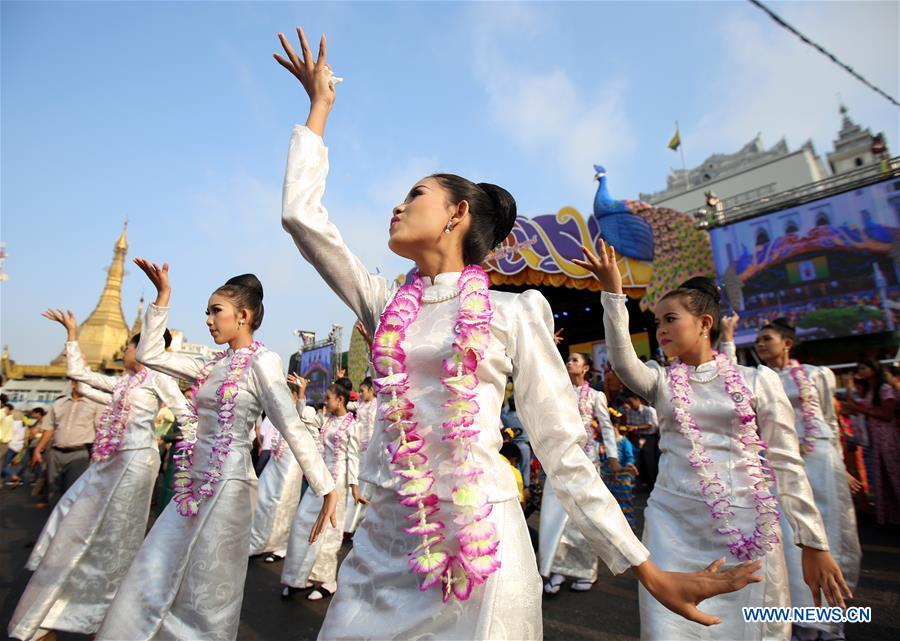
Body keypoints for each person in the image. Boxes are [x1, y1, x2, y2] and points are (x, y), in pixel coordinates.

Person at [273, 26, 763, 639]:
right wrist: (319, 110)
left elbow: (561, 448)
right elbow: (302, 218)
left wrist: (646, 569)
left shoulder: (515, 312)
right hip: (384, 547)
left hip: (483, 549)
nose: (397, 206)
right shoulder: (383, 304)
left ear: (457, 214)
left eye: (414, 194)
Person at [575, 240, 850, 640]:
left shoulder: (758, 381)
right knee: (671, 629)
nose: (661, 329)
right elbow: (622, 361)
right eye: (658, 322)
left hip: (748, 523)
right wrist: (613, 293)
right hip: (673, 524)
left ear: (705, 323)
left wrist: (813, 542)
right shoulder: (661, 381)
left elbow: (787, 464)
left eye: (670, 319)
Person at [96, 260, 337, 641]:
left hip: (230, 487)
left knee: (207, 589)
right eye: (207, 312)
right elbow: (150, 355)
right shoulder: (211, 364)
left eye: (215, 311)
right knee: (154, 566)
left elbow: (290, 424)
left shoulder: (263, 362)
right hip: (193, 486)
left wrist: (326, 486)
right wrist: (162, 298)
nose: (208, 320)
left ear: (243, 316)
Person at [9, 309, 193, 641]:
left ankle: (105, 616)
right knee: (75, 520)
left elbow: (186, 416)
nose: (125, 352)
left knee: (117, 540)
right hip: (111, 462)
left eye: (129, 347)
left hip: (138, 463)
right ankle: (67, 608)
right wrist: (71, 335)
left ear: (142, 348)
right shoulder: (123, 385)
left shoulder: (159, 379)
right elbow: (79, 377)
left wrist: (193, 461)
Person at [730, 317, 862, 641]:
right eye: (758, 340)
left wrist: (840, 465)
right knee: (789, 539)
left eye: (767, 338)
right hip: (780, 462)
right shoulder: (756, 378)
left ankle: (831, 622)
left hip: (821, 460)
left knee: (830, 535)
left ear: (787, 343)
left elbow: (829, 420)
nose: (760, 345)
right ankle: (802, 622)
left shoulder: (818, 375)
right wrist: (729, 336)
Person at [539, 352, 619, 594]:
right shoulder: (558, 392)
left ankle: (585, 571)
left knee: (584, 517)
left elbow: (606, 427)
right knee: (555, 516)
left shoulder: (596, 396)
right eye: (568, 359)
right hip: (559, 460)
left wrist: (613, 457)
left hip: (587, 462)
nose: (569, 362)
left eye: (575, 360)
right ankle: (557, 569)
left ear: (585, 368)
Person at [281, 381, 363, 600]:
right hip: (320, 480)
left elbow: (353, 457)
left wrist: (354, 486)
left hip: (338, 481)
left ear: (340, 400)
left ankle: (327, 581)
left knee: (328, 532)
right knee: (302, 524)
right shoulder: (326, 419)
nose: (325, 402)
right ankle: (297, 577)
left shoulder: (353, 425)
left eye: (328, 398)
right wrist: (301, 394)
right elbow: (304, 417)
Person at [249, 383, 306, 563]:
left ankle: (280, 545)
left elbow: (301, 412)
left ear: (294, 396)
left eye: (287, 394)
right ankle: (257, 541)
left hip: (291, 463)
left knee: (282, 502)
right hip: (275, 459)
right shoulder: (280, 411)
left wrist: (301, 393)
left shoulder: (301, 412)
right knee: (262, 498)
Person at [31, 379, 103, 506]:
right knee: (53, 488)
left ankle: (68, 516)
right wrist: (38, 449)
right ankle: (54, 515)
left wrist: (100, 456)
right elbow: (49, 428)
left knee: (73, 489)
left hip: (79, 453)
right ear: (73, 384)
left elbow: (100, 430)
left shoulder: (96, 404)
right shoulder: (59, 403)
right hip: (55, 452)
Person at [845, 357, 899, 526]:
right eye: (859, 369)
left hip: (886, 437)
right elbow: (854, 405)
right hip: (875, 438)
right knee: (881, 477)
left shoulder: (884, 388)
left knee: (894, 474)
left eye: (863, 368)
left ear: (873, 369)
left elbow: (887, 415)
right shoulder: (871, 390)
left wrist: (861, 410)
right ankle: (892, 518)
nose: (860, 372)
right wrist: (849, 387)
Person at [344, 376, 377, 533]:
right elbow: (346, 403)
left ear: (371, 390)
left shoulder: (378, 404)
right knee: (360, 484)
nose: (361, 393)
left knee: (372, 488)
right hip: (361, 451)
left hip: (375, 451)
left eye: (363, 391)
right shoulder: (359, 405)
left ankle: (366, 523)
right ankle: (351, 525)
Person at [622, 389, 660, 490]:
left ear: (637, 400)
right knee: (636, 460)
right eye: (628, 402)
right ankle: (639, 484)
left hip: (649, 437)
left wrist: (635, 427)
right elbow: (629, 424)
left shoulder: (648, 410)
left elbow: (649, 425)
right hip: (636, 436)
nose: (630, 404)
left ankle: (652, 484)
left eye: (631, 402)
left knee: (649, 460)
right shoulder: (630, 412)